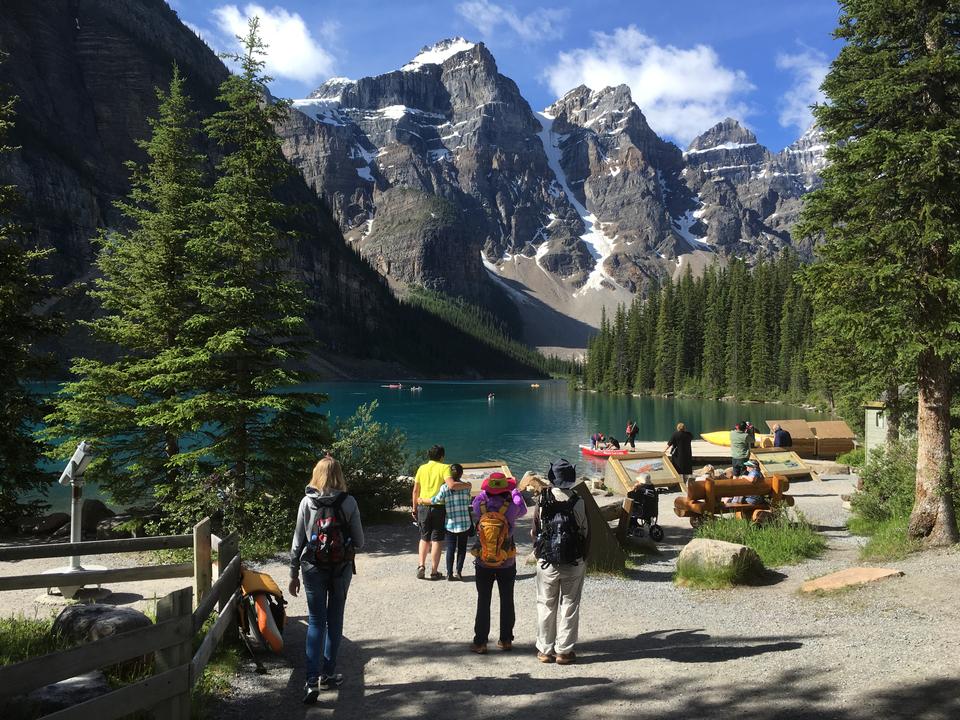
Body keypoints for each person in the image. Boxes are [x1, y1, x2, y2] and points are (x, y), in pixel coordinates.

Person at [289, 456, 365, 703]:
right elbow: (360, 541)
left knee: (315, 621)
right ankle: (329, 674)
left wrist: (292, 572)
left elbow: (298, 541)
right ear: (339, 475)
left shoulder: (306, 502)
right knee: (335, 620)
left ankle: (311, 681)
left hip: (311, 566)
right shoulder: (349, 501)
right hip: (341, 568)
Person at [532, 459, 589, 665]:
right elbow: (584, 531)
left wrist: (538, 553)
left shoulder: (542, 499)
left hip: (547, 561)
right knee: (570, 604)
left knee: (546, 605)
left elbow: (535, 530)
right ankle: (564, 651)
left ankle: (545, 650)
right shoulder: (578, 501)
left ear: (552, 478)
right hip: (573, 561)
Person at [470, 472, 527, 654]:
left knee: (483, 600)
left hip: (484, 559)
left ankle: (480, 642)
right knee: (507, 599)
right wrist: (515, 492)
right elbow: (524, 510)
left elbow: (474, 508)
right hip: (506, 559)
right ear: (505, 487)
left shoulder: (480, 502)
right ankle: (505, 640)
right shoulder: (511, 506)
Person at [412, 445, 470, 580]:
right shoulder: (444, 468)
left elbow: (415, 490)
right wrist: (468, 485)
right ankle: (434, 571)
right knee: (437, 539)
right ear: (442, 456)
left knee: (424, 537)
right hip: (438, 507)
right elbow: (451, 485)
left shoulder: (422, 468)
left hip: (423, 506)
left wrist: (414, 507)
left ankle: (421, 565)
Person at [426, 463, 472, 581]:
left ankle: (449, 574)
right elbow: (468, 501)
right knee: (462, 548)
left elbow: (435, 500)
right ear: (461, 473)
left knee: (450, 548)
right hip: (465, 522)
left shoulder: (444, 487)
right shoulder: (467, 486)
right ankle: (459, 572)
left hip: (450, 523)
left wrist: (422, 500)